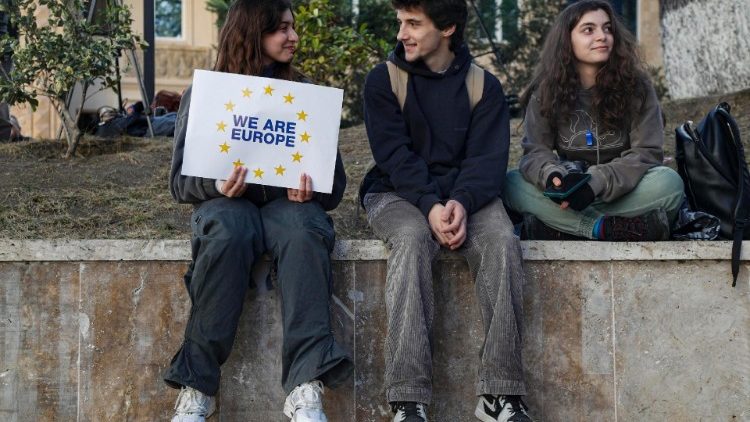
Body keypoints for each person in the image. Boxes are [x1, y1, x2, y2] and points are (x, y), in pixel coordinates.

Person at [164, 0, 353, 420]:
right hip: (227, 206)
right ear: (254, 32)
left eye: (292, 27)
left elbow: (335, 185)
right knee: (228, 233)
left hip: (288, 208)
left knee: (304, 231)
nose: (294, 37)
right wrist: (215, 184)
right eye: (282, 28)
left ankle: (305, 387)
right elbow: (179, 182)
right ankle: (196, 388)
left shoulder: (304, 93)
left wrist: (313, 191)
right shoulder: (208, 93)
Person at [360, 0, 533, 421]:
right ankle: (408, 397)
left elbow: (486, 162)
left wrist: (458, 202)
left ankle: (500, 394)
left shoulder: (483, 87)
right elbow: (394, 156)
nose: (401, 33)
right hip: (397, 193)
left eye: (414, 23)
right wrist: (430, 206)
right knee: (412, 239)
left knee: (500, 241)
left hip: (466, 197)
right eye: (401, 22)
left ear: (449, 28)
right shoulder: (384, 80)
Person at [503, 0, 684, 241]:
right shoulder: (545, 91)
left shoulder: (637, 87)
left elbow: (646, 153)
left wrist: (597, 182)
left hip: (624, 191)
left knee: (669, 183)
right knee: (511, 183)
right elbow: (535, 152)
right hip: (569, 193)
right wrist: (553, 176)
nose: (602, 36)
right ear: (567, 40)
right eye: (589, 30)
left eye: (608, 28)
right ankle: (603, 228)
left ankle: (560, 227)